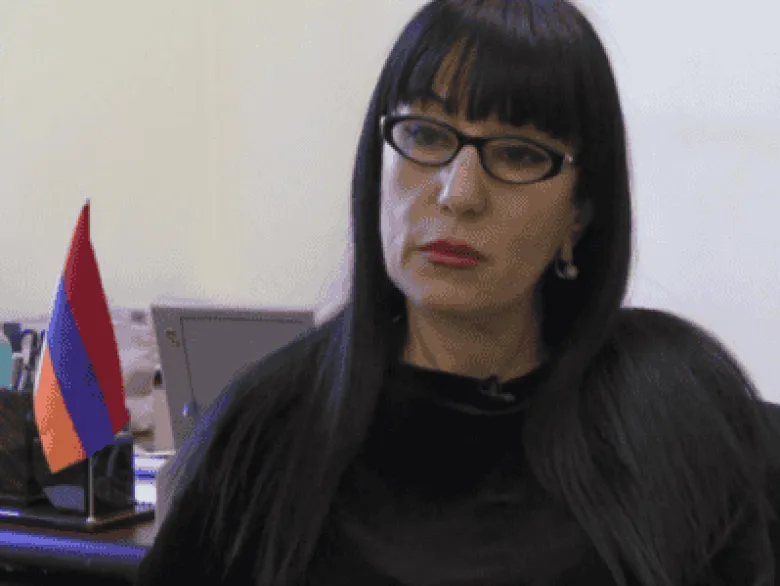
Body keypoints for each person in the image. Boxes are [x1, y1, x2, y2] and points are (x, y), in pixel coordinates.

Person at [136, 1, 780, 585]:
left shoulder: (673, 412)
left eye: (519, 153)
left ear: (579, 213)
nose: (459, 192)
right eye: (425, 135)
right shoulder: (270, 431)